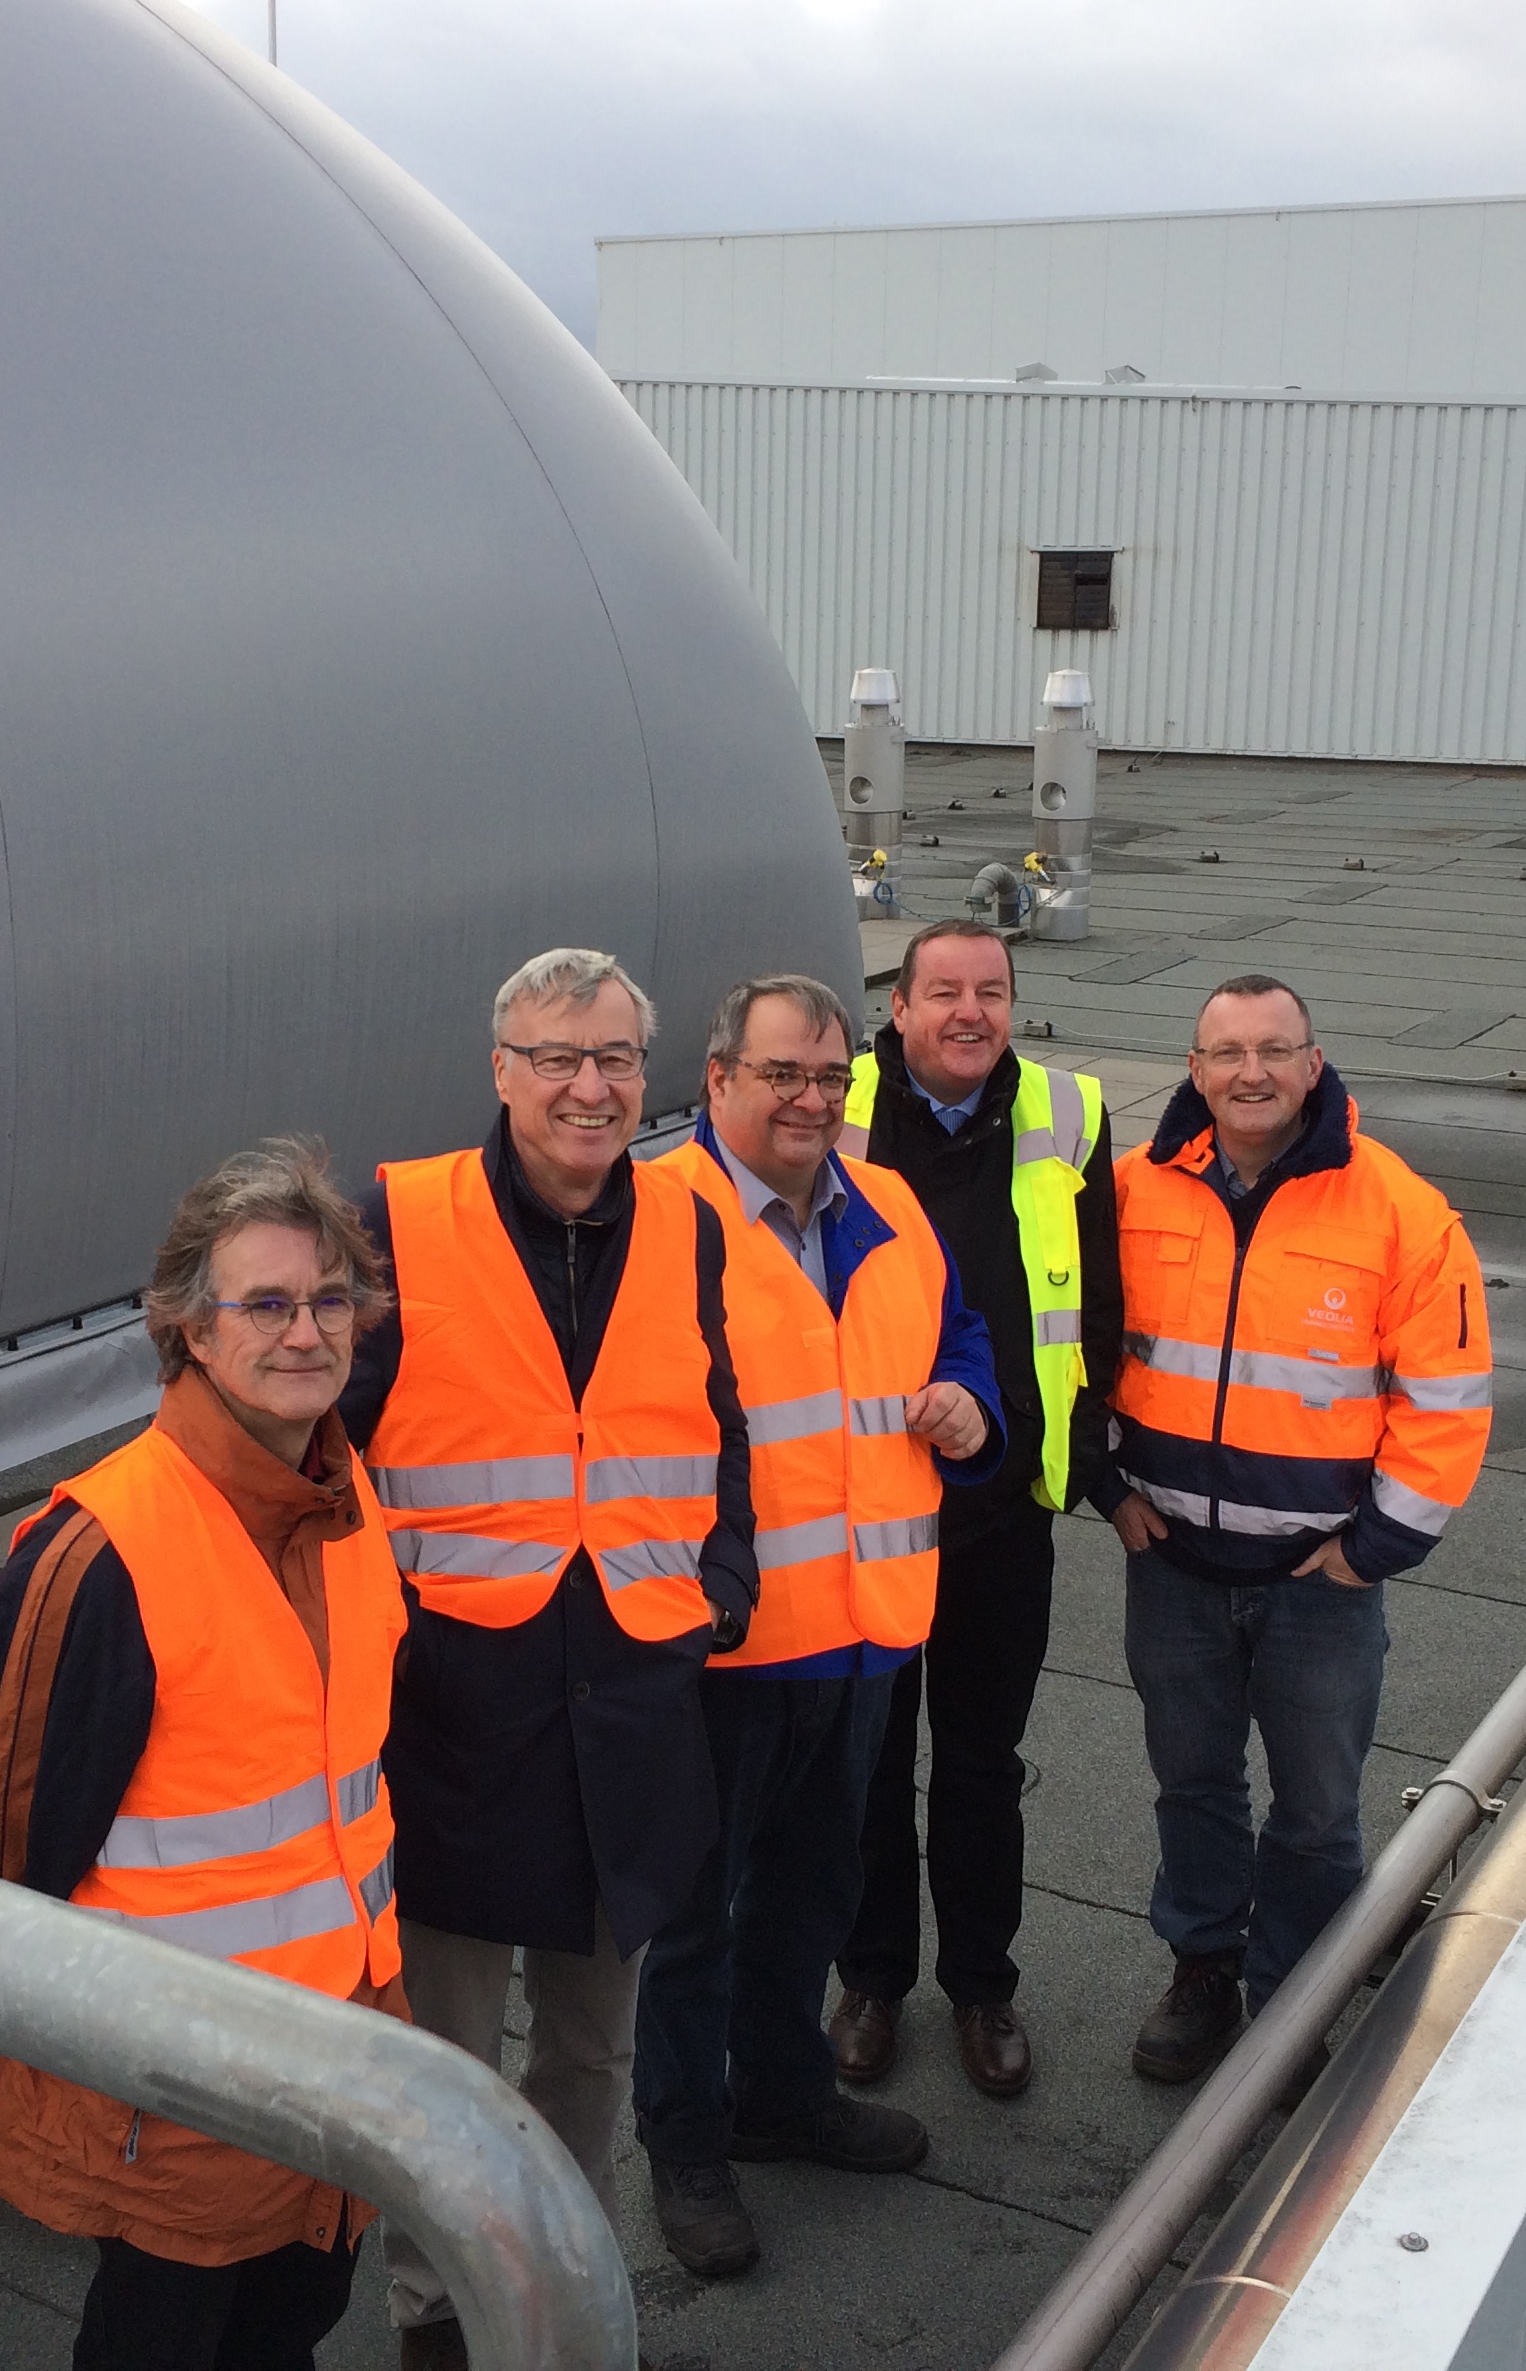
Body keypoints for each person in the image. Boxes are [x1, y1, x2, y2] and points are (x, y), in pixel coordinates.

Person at [338, 947, 758, 2371]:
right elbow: (326, 1447)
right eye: (556, 1059)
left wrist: (727, 1579)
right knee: (449, 2060)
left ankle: (564, 2293)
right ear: (501, 1071)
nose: (589, 1087)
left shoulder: (687, 1227)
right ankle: (436, 2308)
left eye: (615, 1059)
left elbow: (715, 1411)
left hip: (632, 1697)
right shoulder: (396, 1218)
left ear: (647, 1074)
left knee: (590, 2050)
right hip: (461, 1705)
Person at [0, 1140, 404, 2370]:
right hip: (179, 2088)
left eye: (329, 1300)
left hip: (337, 2044)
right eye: (263, 1304)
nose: (306, 1332)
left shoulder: (348, 1507)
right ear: (190, 1332)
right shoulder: (100, 1554)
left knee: (286, 2334)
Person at [632, 974, 1006, 2279]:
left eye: (830, 1079)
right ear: (718, 1079)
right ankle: (685, 2141)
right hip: (725, 1646)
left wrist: (967, 1401)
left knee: (813, 1894)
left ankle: (782, 2099)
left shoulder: (888, 1204)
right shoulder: (653, 1221)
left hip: (860, 1633)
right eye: (783, 1074)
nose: (811, 1100)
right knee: (695, 1914)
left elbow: (960, 1339)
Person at [1106, 975, 1492, 2085]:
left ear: (1313, 1065)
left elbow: (1449, 1398)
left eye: (1276, 1050)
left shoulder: (1400, 1212)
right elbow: (1080, 1343)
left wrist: (1372, 1548)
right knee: (1193, 1783)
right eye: (1227, 1053)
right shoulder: (1136, 1192)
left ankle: (1293, 1999)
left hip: (1320, 1581)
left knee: (1318, 1809)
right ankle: (1204, 1966)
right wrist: (1108, 1486)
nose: (1252, 1073)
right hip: (1172, 1560)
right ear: (1195, 1069)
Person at [828, 919, 1119, 2098]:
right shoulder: (833, 1102)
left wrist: (1086, 1453)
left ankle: (984, 1986)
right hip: (864, 1499)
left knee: (983, 1761)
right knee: (869, 1759)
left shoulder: (1067, 1114)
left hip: (999, 1508)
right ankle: (872, 1982)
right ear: (896, 1009)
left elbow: (1098, 1302)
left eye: (989, 992)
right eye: (941, 991)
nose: (968, 1013)